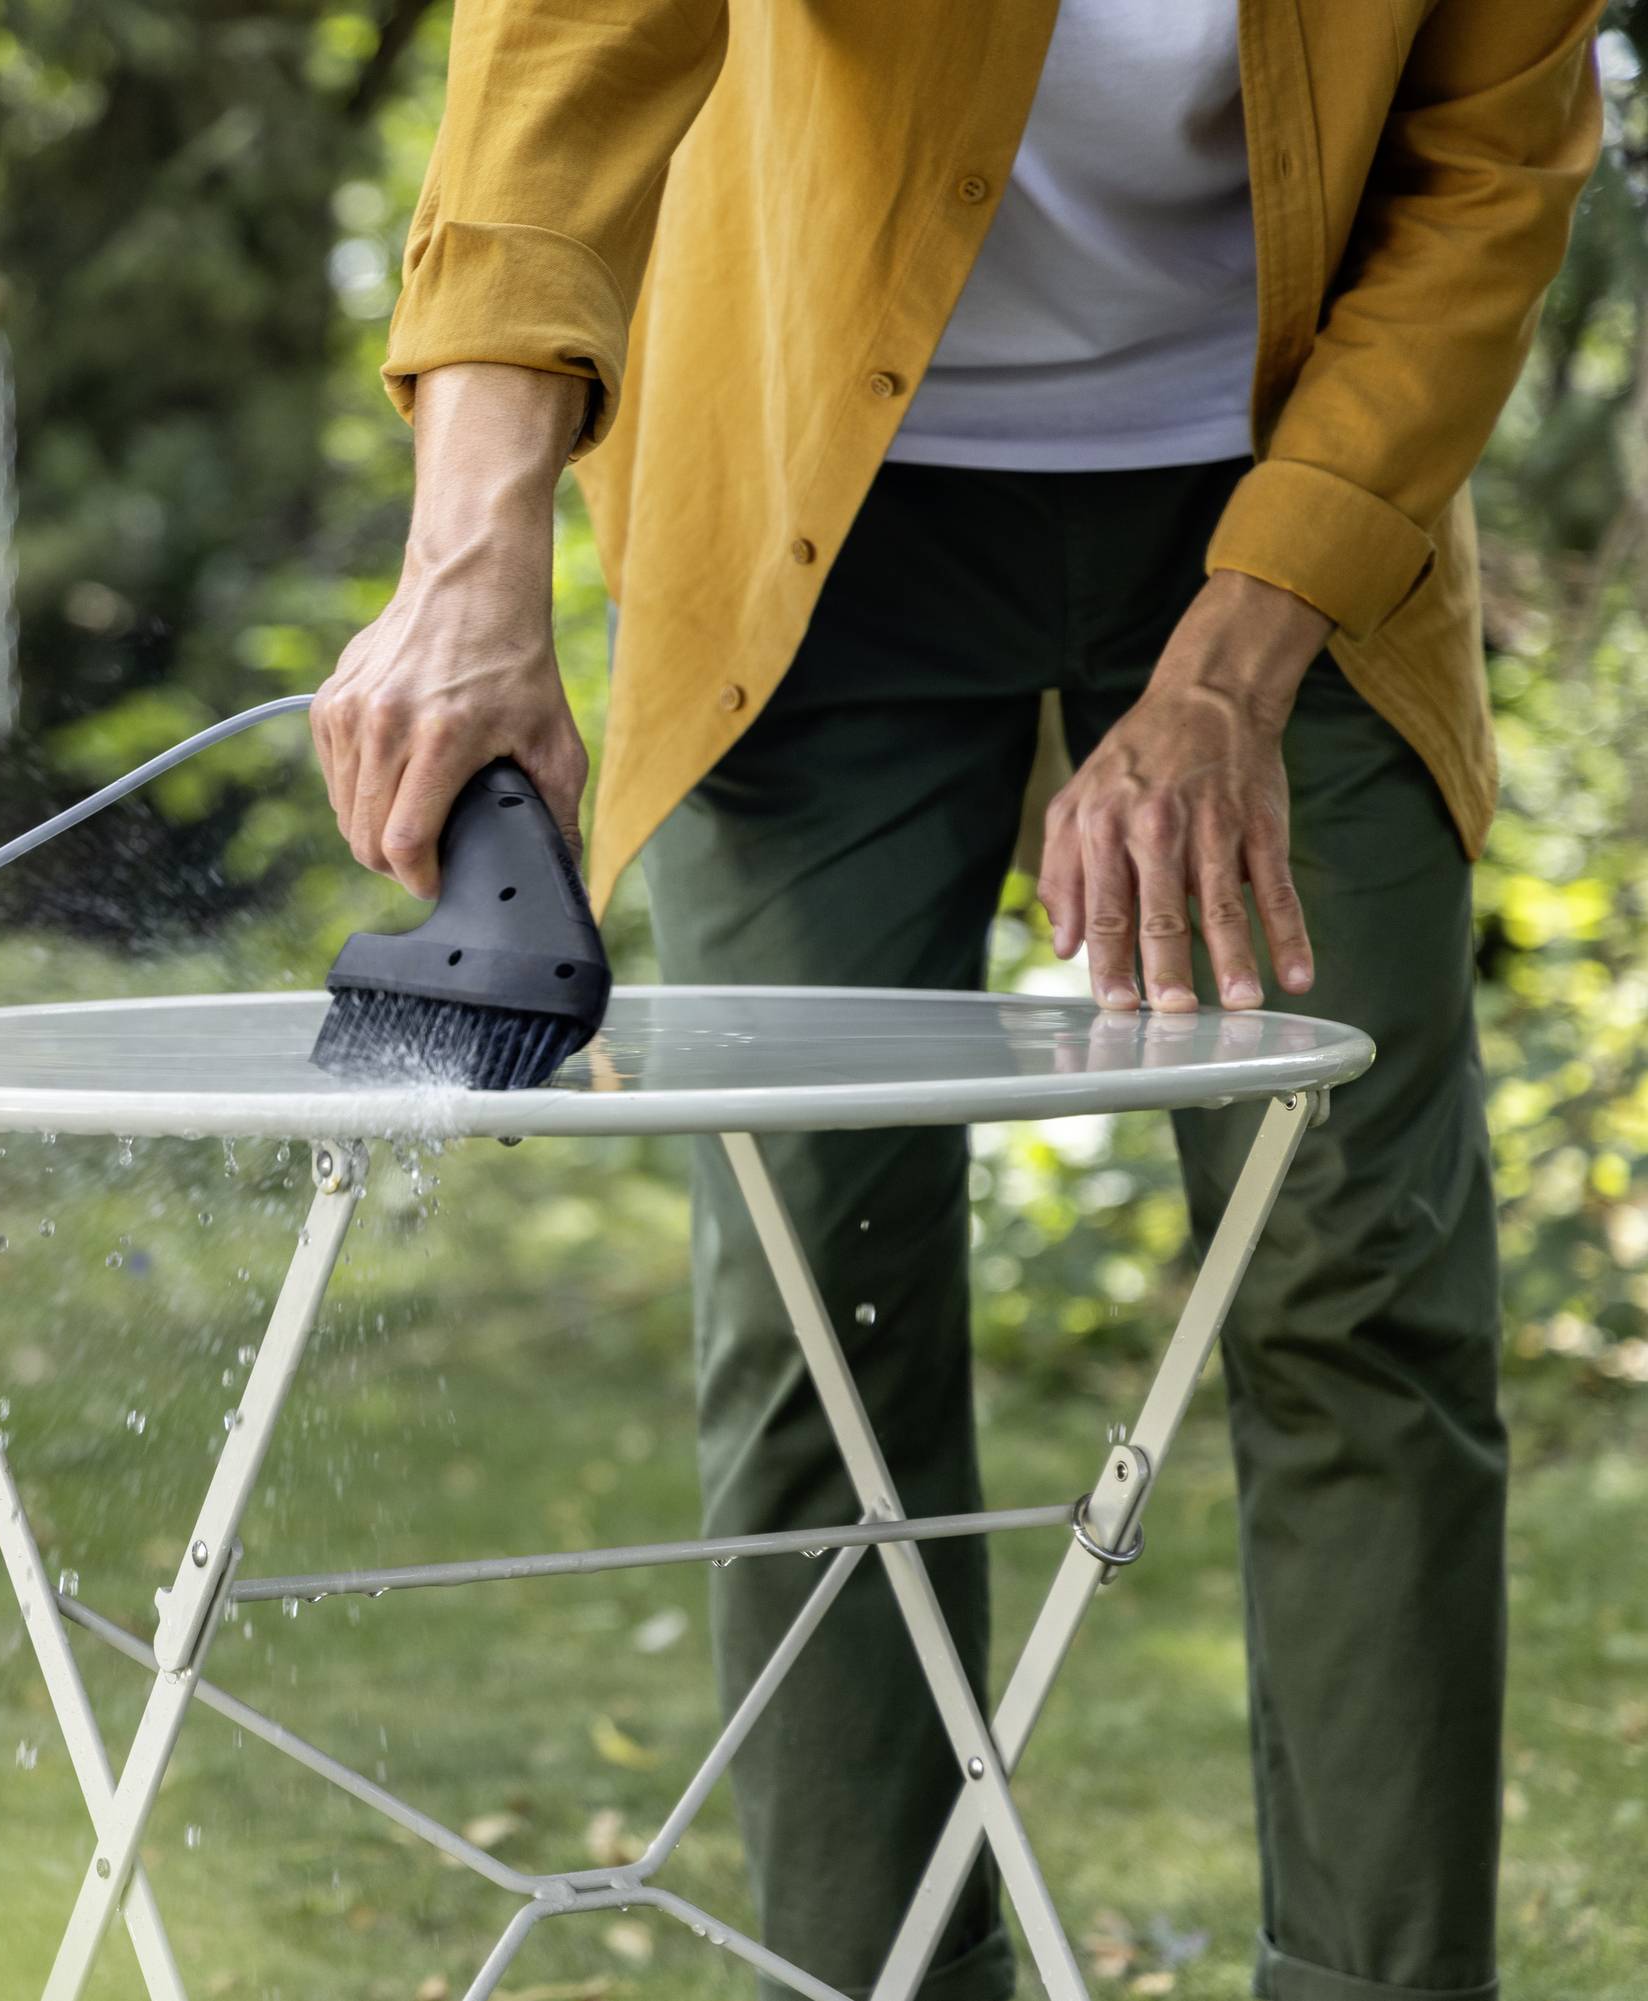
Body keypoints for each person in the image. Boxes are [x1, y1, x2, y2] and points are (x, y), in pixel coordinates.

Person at [311, 5, 1607, 1998]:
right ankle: (871, 1975)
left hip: (1294, 489)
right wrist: (468, 565)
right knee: (816, 1275)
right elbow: (564, 59)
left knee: (1357, 1269)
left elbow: (1486, 179)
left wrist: (1232, 668)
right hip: (813, 480)